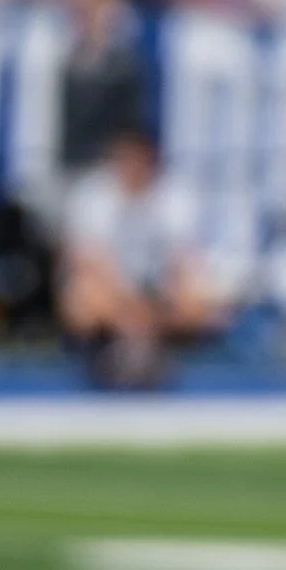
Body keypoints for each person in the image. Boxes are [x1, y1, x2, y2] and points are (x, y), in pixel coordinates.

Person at [58, 128, 224, 386]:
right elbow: (88, 263)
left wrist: (149, 307)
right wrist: (130, 307)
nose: (131, 169)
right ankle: (129, 348)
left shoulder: (175, 197)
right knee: (82, 297)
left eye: (137, 161)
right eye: (125, 160)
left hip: (159, 292)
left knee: (200, 295)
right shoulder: (93, 196)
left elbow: (185, 260)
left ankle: (147, 348)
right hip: (115, 293)